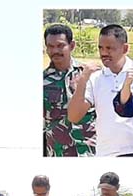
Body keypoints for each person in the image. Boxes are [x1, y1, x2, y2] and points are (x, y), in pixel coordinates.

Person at [67, 24, 133, 156]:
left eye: (109, 48)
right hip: (106, 153)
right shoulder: (95, 77)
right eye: (101, 48)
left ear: (125, 48)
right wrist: (83, 80)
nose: (104, 53)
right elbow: (74, 116)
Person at [43, 23, 96, 156]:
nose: (55, 51)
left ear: (71, 46)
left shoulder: (89, 74)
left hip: (88, 150)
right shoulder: (42, 81)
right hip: (58, 151)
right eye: (51, 46)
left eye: (60, 46)